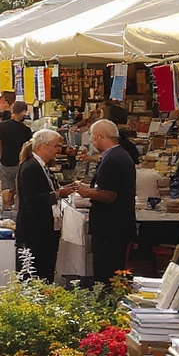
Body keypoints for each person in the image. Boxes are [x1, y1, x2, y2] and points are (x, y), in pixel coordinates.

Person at [77, 119, 137, 284]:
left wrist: (88, 193)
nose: (92, 141)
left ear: (100, 137)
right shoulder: (119, 155)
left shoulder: (113, 159)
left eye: (92, 137)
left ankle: (108, 305)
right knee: (111, 273)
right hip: (116, 226)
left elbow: (109, 195)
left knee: (107, 274)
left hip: (111, 228)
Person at [17, 129, 74, 281]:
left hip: (44, 228)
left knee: (45, 270)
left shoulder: (41, 166)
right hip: (34, 230)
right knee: (36, 272)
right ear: (43, 146)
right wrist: (57, 194)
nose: (58, 151)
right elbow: (31, 200)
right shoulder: (31, 167)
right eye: (56, 146)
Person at [0, 101, 33, 219]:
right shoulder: (26, 130)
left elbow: (0, 143)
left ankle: (5, 214)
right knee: (18, 191)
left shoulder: (2, 126)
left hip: (5, 161)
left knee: (6, 190)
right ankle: (17, 215)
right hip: (20, 163)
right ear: (23, 112)